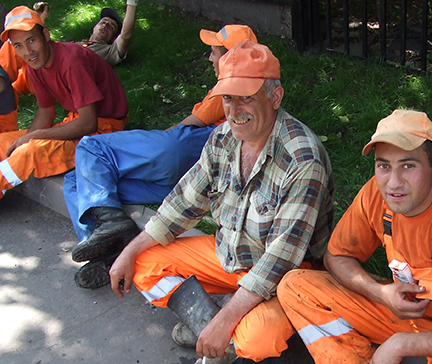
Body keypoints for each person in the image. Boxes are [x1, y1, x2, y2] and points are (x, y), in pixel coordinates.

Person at [109, 40, 334, 363]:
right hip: (230, 255)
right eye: (228, 97)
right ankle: (212, 333)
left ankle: (222, 329)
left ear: (275, 97)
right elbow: (182, 202)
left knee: (257, 340)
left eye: (246, 98)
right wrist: (128, 251)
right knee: (142, 265)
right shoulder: (222, 138)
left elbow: (279, 262)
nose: (233, 109)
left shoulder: (302, 161)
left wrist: (224, 322)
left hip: (287, 277)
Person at [277, 109, 432, 364]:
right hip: (393, 313)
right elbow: (337, 256)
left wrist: (401, 344)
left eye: (408, 166)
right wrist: (379, 293)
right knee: (294, 286)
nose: (393, 183)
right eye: (384, 166)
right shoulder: (376, 194)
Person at [65, 24, 258, 291]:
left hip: (190, 148)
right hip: (191, 179)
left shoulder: (229, 88)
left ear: (230, 58)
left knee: (90, 147)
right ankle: (107, 248)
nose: (210, 58)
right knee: (76, 181)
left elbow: (186, 128)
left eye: (214, 52)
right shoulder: (249, 94)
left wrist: (150, 143)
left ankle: (108, 230)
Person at [0, 6, 128, 200]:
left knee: (29, 152)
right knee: (5, 143)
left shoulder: (71, 61)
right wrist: (26, 138)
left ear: (45, 34)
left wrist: (34, 138)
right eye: (18, 46)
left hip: (104, 131)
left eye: (31, 40)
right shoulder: (37, 65)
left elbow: (88, 123)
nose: (27, 52)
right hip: (76, 121)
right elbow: (46, 112)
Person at [0, 1, 137, 132]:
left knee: (28, 151)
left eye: (111, 27)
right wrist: (26, 141)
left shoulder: (104, 51)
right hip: (45, 75)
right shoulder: (65, 47)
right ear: (94, 26)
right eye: (103, 22)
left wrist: (132, 3)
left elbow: (125, 36)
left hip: (100, 123)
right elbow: (46, 111)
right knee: (12, 146)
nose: (105, 25)